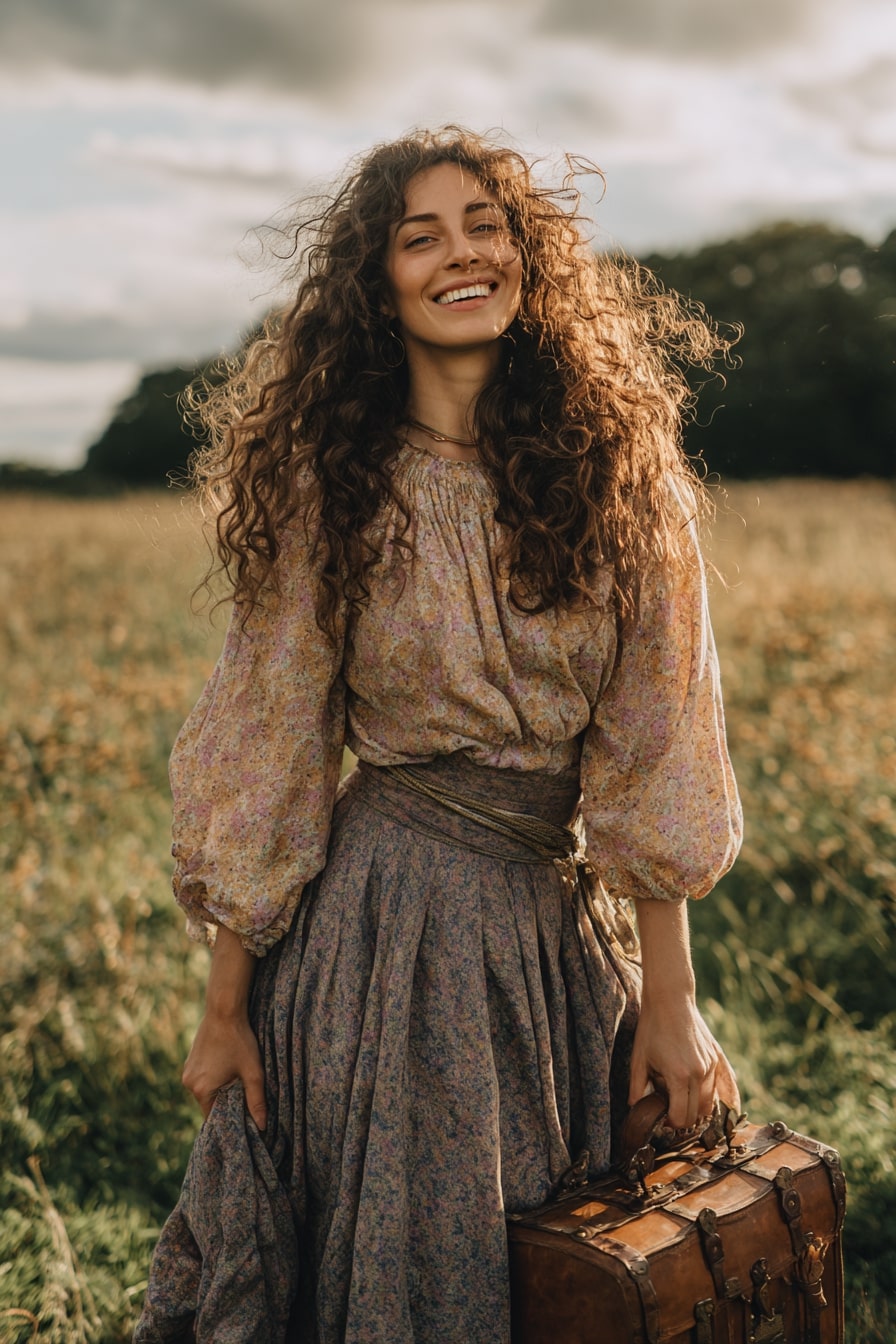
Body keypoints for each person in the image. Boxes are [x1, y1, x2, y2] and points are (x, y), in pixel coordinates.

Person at [135, 125, 743, 1344]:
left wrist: (668, 1002)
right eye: (419, 238)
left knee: (573, 1269)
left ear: (526, 257)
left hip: (549, 938)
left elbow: (654, 747)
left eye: (484, 226)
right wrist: (226, 1008)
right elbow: (272, 746)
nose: (459, 256)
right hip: (374, 939)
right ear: (379, 283)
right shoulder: (334, 487)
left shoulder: (621, 477)